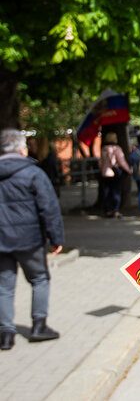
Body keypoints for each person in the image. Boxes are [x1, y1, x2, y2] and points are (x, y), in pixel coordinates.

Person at [0, 129, 64, 350]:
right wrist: (56, 238)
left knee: (4, 287)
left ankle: (6, 334)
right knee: (39, 279)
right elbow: (49, 208)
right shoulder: (33, 173)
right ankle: (39, 326)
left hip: (1, 241)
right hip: (30, 240)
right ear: (20, 148)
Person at [99, 131, 131, 218]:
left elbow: (100, 162)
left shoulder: (103, 149)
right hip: (115, 173)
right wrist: (128, 170)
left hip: (105, 173)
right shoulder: (117, 149)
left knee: (107, 192)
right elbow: (121, 162)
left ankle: (108, 211)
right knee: (116, 192)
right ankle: (116, 210)